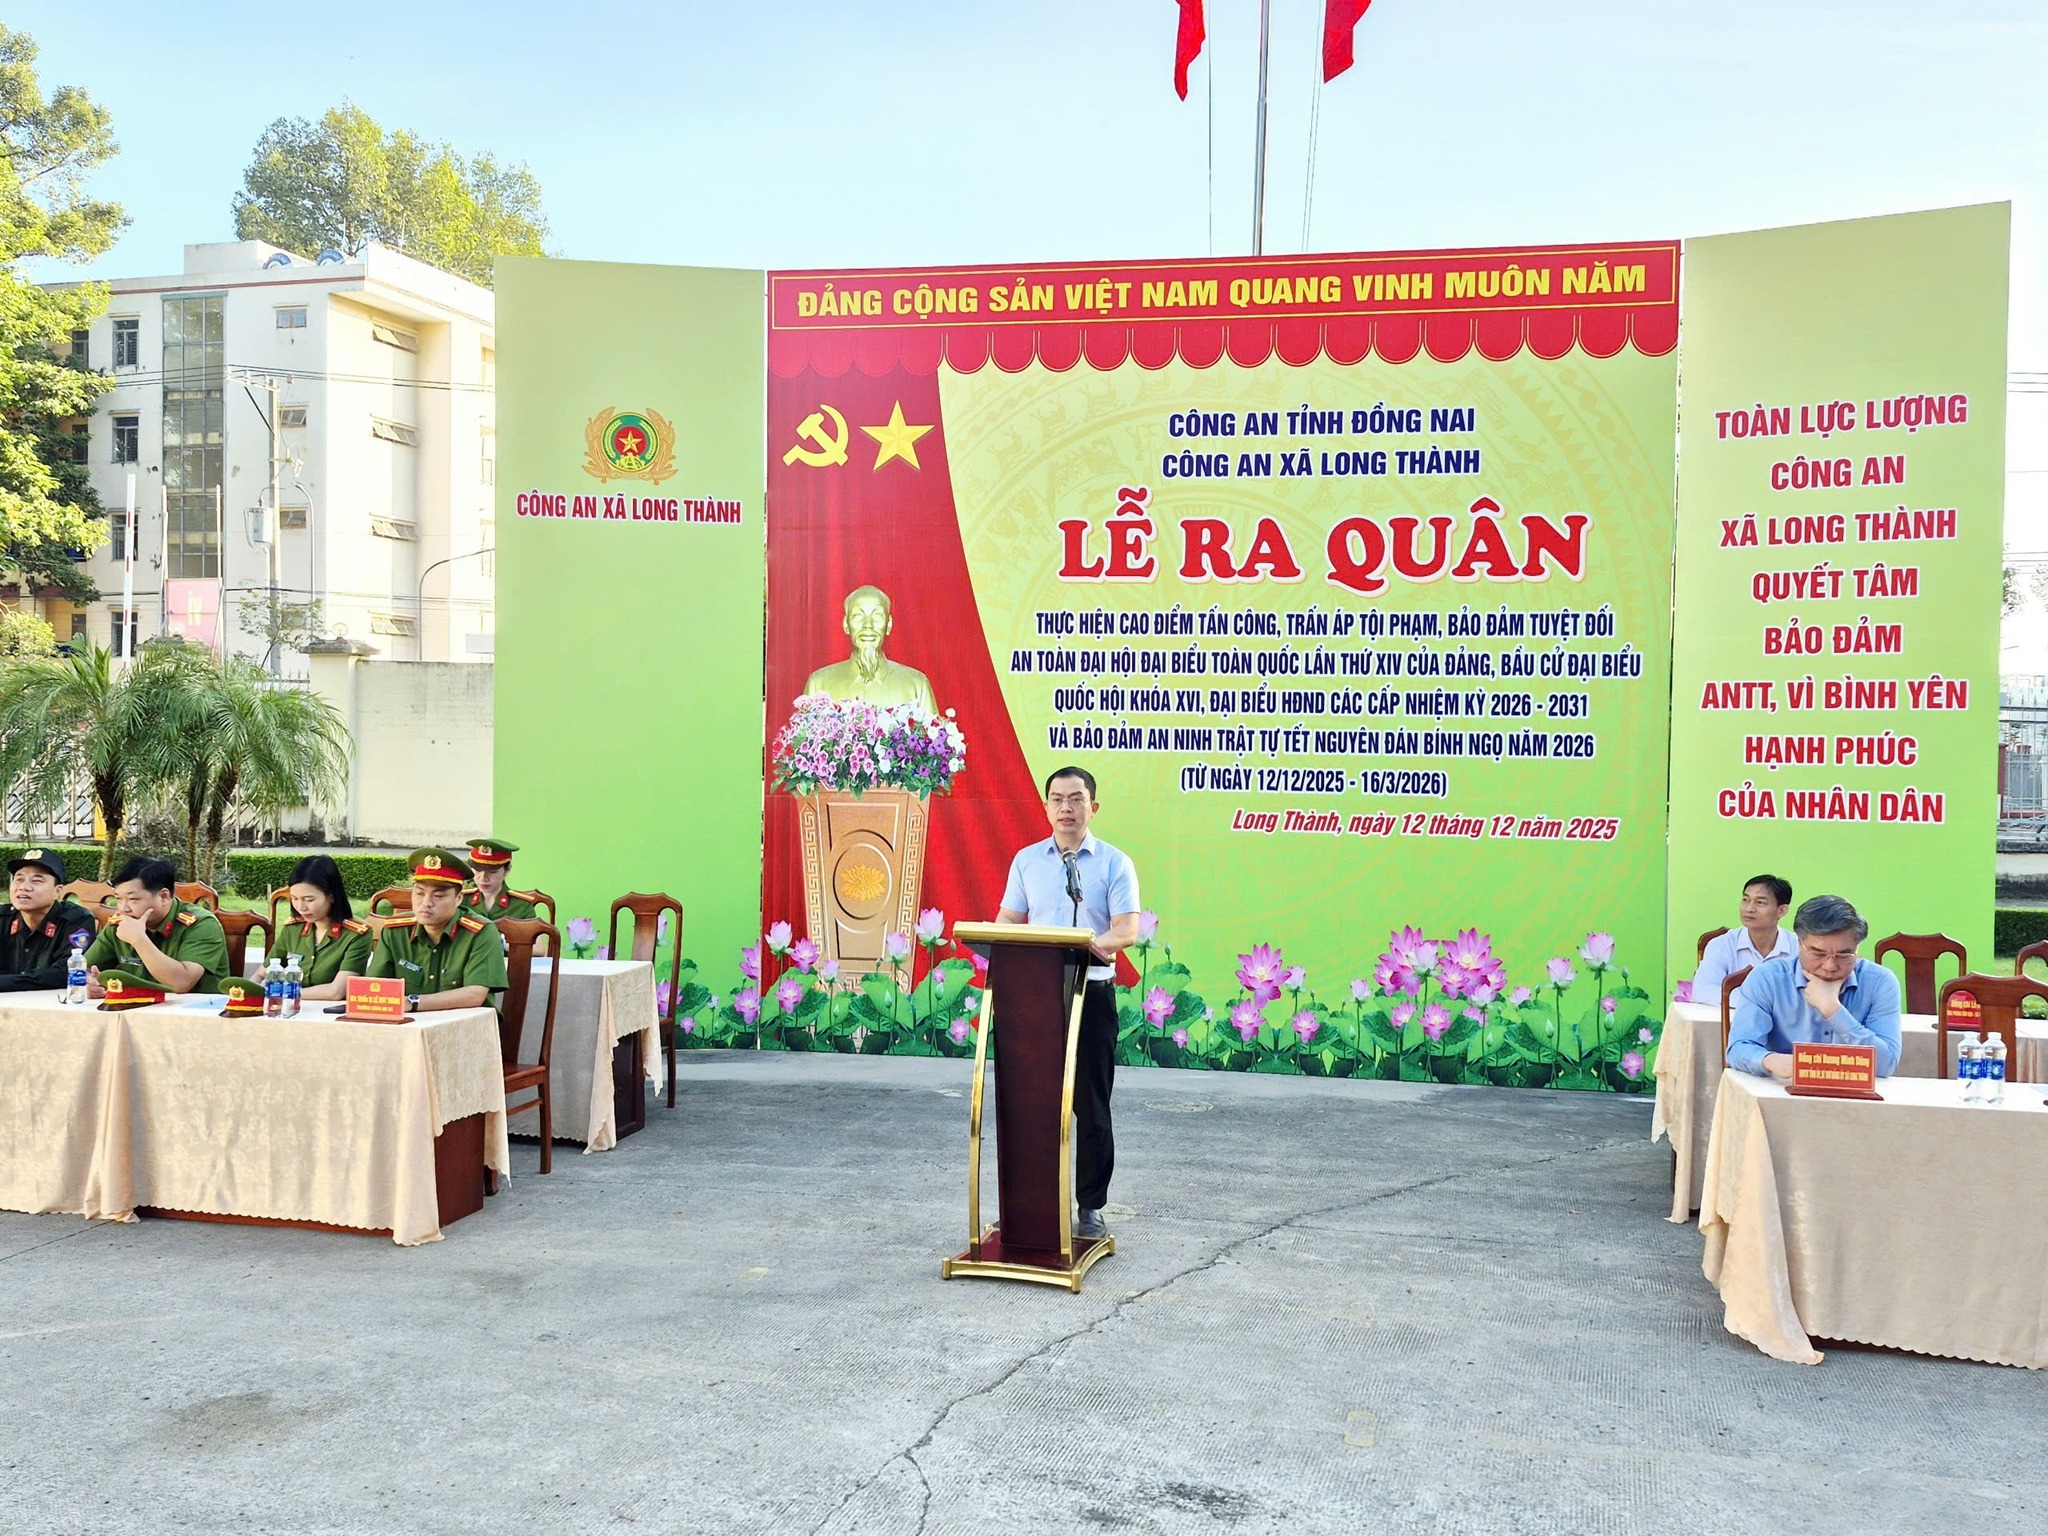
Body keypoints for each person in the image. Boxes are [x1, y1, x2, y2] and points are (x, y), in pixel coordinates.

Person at [995, 766, 1141, 1242]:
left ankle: (1091, 1207)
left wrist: (1087, 945)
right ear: (1046, 807)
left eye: (1076, 799)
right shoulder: (1026, 861)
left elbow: (1126, 930)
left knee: (1091, 1106)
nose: (1066, 808)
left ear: (1092, 807)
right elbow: (1008, 920)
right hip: (1036, 999)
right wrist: (1001, 940)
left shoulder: (1115, 863)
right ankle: (1032, 1202)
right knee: (1031, 1102)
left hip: (1091, 995)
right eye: (1057, 799)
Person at [1726, 894, 1901, 1080]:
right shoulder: (1768, 978)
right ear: (1798, 943)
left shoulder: (1880, 982)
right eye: (1818, 953)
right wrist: (1771, 1060)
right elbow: (1738, 1048)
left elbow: (1886, 1065)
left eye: (1844, 955)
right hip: (1783, 1088)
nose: (1830, 966)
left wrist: (1833, 1010)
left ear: (1857, 948)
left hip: (1856, 1093)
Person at [367, 849, 508, 1012]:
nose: (426, 903)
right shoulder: (395, 930)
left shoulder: (481, 932)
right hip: (407, 1022)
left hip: (464, 1023)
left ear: (458, 899)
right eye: (419, 893)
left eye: (438, 896)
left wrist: (413, 1002)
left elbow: (475, 994)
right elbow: (374, 985)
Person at [83, 856, 230, 996]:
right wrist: (89, 982)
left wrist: (139, 940)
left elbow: (181, 983)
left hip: (194, 1010)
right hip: (137, 1007)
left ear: (163, 896)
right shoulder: (120, 924)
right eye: (118, 899)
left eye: (133, 899)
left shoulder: (201, 924)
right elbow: (84, 967)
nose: (123, 908)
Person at [803, 585, 939, 711]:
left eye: (877, 615)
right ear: (846, 624)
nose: (868, 624)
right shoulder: (818, 685)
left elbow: (933, 729)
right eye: (858, 615)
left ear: (889, 625)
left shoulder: (917, 685)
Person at [272, 854, 372, 1002]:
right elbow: (262, 973)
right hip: (288, 1008)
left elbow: (336, 992)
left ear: (332, 896)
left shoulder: (356, 934)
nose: (301, 907)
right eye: (294, 899)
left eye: (309, 899)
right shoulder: (292, 929)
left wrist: (280, 992)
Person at [0, 848, 100, 993]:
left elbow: (66, 971)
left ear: (57, 891)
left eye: (36, 881)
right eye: (19, 879)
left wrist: (7, 982)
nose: (24, 887)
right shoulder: (3, 918)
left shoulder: (76, 920)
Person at [1691, 874, 1795, 1006]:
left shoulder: (1799, 947)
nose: (1749, 909)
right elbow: (1704, 991)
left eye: (1760, 902)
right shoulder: (1721, 945)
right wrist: (1757, 1003)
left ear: (1781, 911)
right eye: (1745, 900)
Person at [462, 838, 544, 922]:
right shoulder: (462, 901)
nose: (483, 878)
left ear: (507, 870)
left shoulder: (522, 906)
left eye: (492, 872)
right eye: (478, 870)